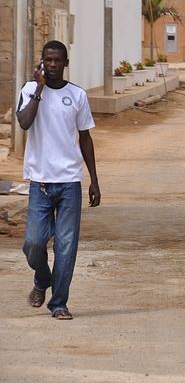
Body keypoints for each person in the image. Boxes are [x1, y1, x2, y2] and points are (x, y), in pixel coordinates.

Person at [16, 40, 101, 320]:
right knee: (33, 243)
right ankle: (42, 279)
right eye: (47, 60)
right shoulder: (29, 91)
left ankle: (59, 303)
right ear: (41, 62)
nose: (52, 65)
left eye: (57, 61)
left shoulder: (77, 95)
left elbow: (85, 138)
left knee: (66, 246)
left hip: (69, 182)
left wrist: (94, 180)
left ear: (66, 63)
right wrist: (39, 89)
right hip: (39, 182)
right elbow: (25, 123)